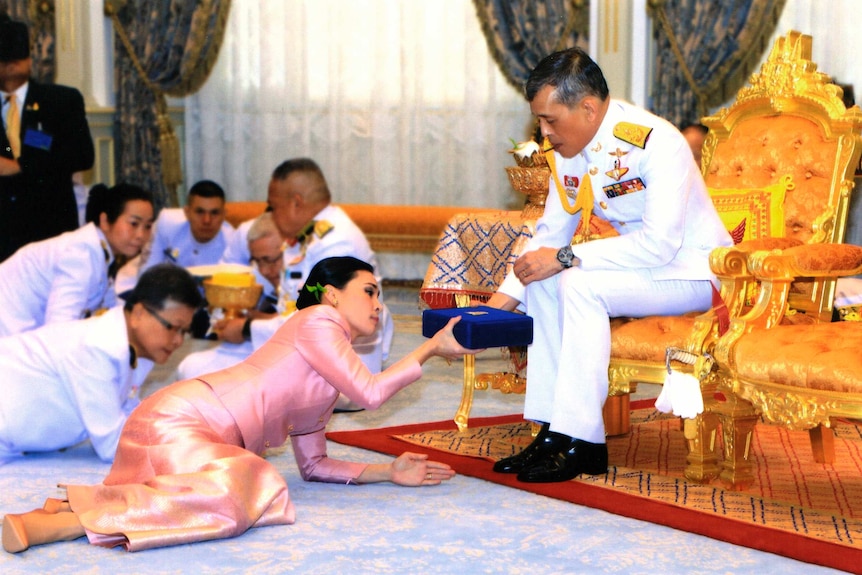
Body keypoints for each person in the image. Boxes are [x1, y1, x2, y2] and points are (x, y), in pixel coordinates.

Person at [1, 256, 476, 554]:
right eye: (370, 290)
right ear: (333, 293)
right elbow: (371, 394)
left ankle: (63, 516)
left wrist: (387, 472)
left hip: (191, 437)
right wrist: (429, 347)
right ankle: (68, 525)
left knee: (243, 482)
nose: (379, 304)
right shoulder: (318, 320)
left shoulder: (328, 375)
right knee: (247, 488)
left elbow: (314, 465)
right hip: (178, 421)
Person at [485, 48, 733, 483]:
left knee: (577, 282)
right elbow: (549, 236)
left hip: (695, 272)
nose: (543, 134)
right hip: (644, 271)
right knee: (547, 282)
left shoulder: (657, 142)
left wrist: (564, 259)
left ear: (588, 107)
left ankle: (584, 442)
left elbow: (659, 245)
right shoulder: (568, 147)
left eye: (549, 120)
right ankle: (551, 431)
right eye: (539, 122)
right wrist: (495, 307)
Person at [178, 158, 394, 379]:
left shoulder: (335, 242)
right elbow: (294, 306)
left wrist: (246, 328)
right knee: (194, 366)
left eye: (273, 206)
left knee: (198, 373)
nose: (271, 215)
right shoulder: (307, 236)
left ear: (296, 203)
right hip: (308, 349)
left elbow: (319, 322)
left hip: (337, 368)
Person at [0, 264, 202, 465]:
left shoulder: (132, 349)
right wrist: (183, 451)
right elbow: (112, 445)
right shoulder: (98, 347)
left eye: (184, 332)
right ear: (139, 313)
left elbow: (130, 417)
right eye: (173, 328)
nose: (178, 341)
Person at [0, 182, 155, 337]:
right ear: (105, 221)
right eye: (134, 224)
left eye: (148, 226)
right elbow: (58, 328)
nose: (141, 235)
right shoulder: (81, 253)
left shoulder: (99, 253)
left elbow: (112, 310)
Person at [0, 15, 95, 261]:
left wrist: (20, 167)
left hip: (50, 229)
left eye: (16, 56)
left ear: (30, 60)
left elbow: (82, 155)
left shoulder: (60, 101)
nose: (10, 65)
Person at [114, 179, 235, 293]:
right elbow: (148, 273)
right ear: (187, 212)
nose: (207, 220)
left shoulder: (232, 243)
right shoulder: (167, 223)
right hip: (147, 285)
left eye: (214, 213)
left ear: (224, 215)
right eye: (200, 212)